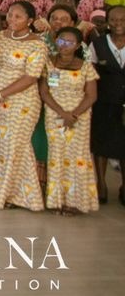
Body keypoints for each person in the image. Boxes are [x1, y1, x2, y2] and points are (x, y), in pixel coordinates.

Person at [0, 1, 47, 212]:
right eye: (10, 15)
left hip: (22, 101)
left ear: (30, 21)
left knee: (15, 145)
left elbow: (31, 77)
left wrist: (1, 93)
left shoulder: (37, 44)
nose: (11, 19)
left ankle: (13, 194)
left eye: (18, 17)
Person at [40, 26, 98, 215]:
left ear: (78, 46)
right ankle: (57, 201)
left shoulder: (85, 66)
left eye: (70, 42)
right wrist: (61, 112)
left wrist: (73, 114)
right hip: (54, 114)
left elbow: (91, 95)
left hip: (79, 117)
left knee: (77, 158)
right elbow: (44, 91)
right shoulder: (48, 63)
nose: (64, 45)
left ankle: (75, 202)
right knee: (56, 157)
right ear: (56, 41)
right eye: (61, 40)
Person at [88, 5, 125, 205]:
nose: (118, 24)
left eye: (123, 20)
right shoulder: (98, 44)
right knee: (101, 143)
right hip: (103, 101)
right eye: (114, 20)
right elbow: (90, 73)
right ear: (108, 21)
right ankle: (101, 184)